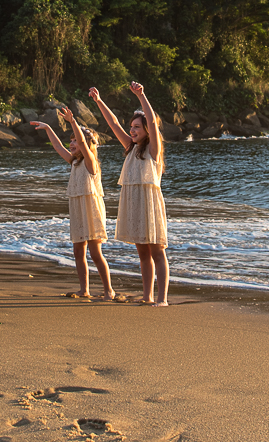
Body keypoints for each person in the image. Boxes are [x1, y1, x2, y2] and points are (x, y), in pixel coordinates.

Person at [88, 82, 169, 306]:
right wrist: (98, 101)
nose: (132, 130)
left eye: (137, 127)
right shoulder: (130, 147)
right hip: (134, 204)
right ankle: (147, 296)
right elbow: (113, 124)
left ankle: (162, 299)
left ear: (147, 130)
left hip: (149, 204)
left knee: (157, 252)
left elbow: (152, 121)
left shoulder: (153, 149)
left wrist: (141, 95)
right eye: (131, 127)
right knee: (143, 254)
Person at [30, 106, 116, 301]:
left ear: (87, 144)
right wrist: (48, 128)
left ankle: (108, 290)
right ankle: (84, 289)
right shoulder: (74, 162)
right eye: (71, 140)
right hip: (77, 209)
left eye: (75, 140)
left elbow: (84, 144)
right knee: (78, 251)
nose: (72, 143)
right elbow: (57, 146)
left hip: (91, 210)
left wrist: (73, 122)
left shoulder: (90, 162)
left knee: (95, 252)